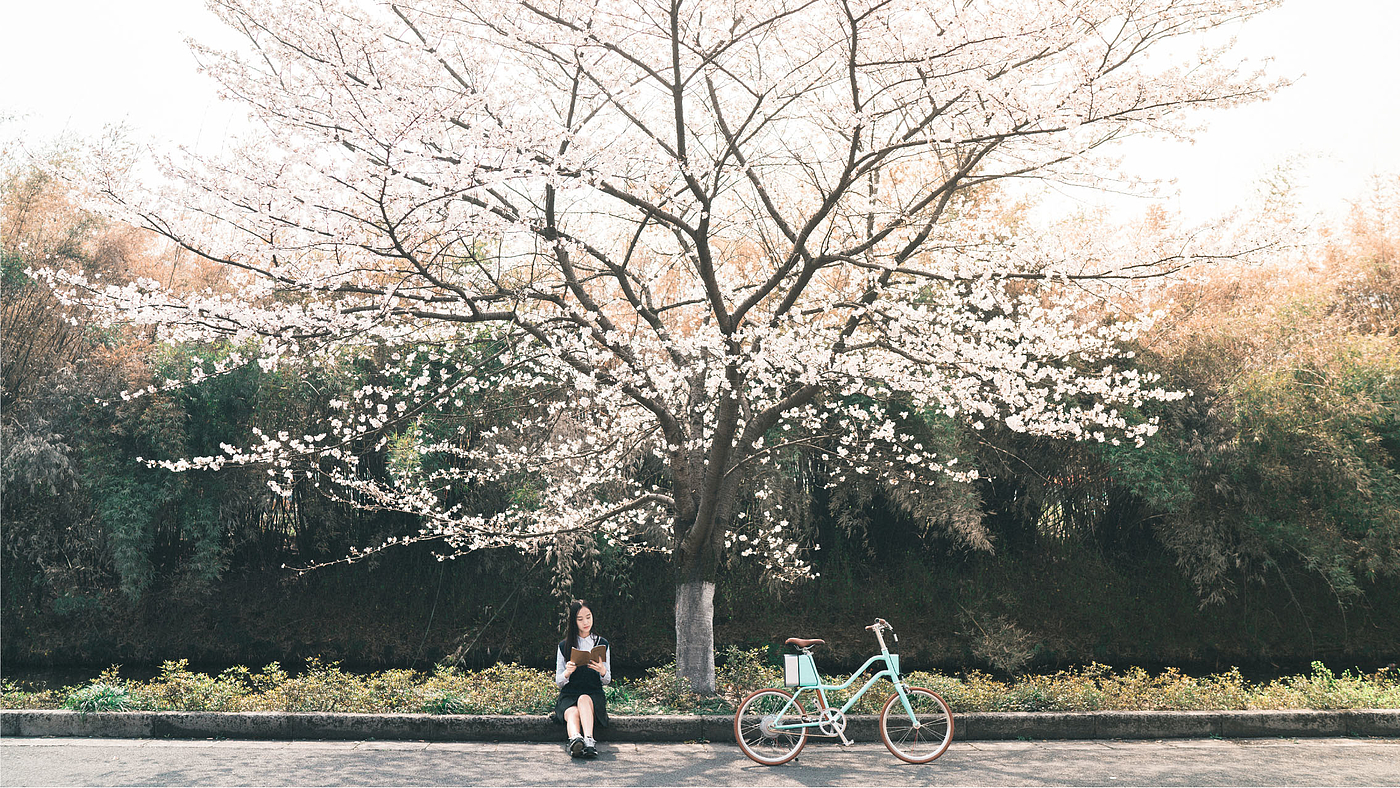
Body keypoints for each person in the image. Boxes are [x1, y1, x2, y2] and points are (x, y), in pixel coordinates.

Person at [552, 599, 610, 758]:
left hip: (592, 694)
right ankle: (575, 739)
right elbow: (559, 681)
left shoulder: (601, 643)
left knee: (584, 699)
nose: (586, 622)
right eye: (580, 619)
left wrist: (602, 671)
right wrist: (567, 673)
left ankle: (589, 740)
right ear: (574, 621)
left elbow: (607, 680)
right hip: (570, 694)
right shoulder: (564, 645)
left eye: (588, 617)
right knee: (572, 711)